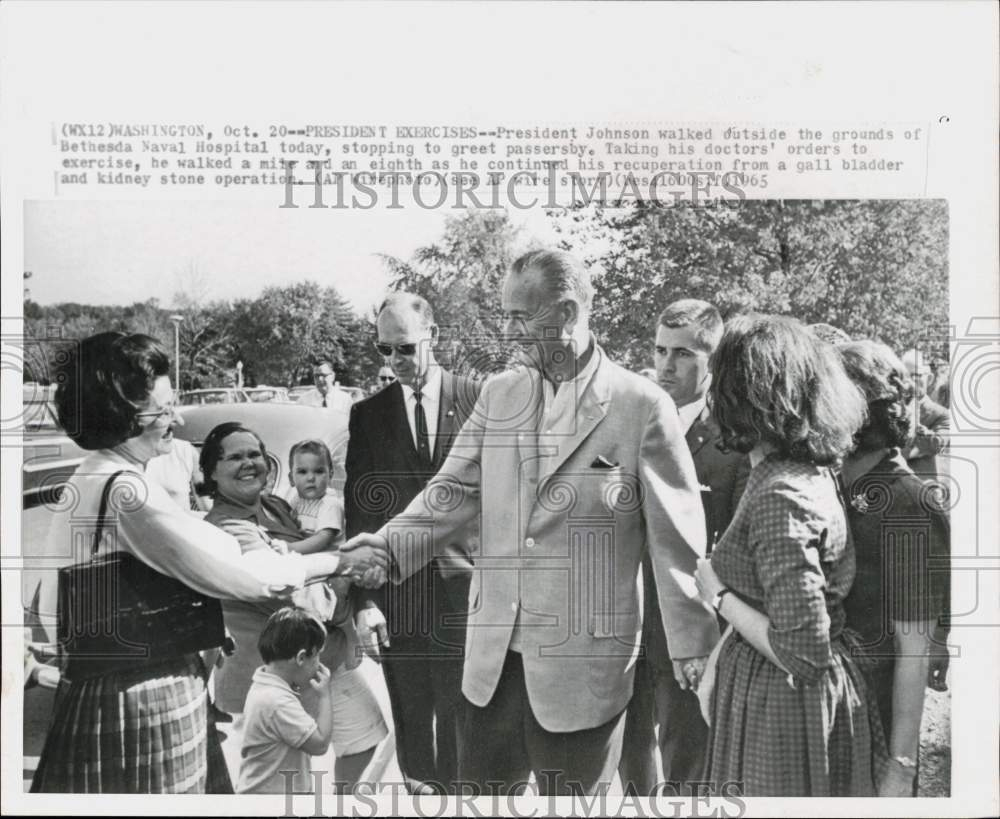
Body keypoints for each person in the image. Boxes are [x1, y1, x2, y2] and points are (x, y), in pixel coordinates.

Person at [345, 250, 718, 796]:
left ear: (566, 312)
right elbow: (450, 491)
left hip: (583, 672)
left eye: (521, 317)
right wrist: (384, 547)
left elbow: (675, 539)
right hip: (491, 667)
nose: (509, 332)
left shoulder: (641, 407)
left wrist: (691, 646)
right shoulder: (500, 393)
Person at [29, 332, 354, 794]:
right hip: (144, 699)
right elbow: (247, 576)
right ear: (124, 414)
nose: (176, 418)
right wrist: (333, 560)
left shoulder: (86, 479)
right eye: (163, 410)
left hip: (95, 693)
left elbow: (47, 608)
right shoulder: (128, 490)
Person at [694, 315, 886, 796]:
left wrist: (716, 595)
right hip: (774, 692)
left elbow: (803, 654)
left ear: (744, 393)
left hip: (782, 705)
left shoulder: (782, 494)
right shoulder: (801, 470)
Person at [344, 292, 482, 794]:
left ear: (435, 336)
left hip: (467, 592)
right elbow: (361, 514)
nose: (394, 362)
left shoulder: (478, 399)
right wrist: (366, 600)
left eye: (404, 349)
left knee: (464, 718)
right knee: (413, 718)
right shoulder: (368, 415)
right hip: (399, 599)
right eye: (384, 351)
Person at [200, 422, 388, 790]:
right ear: (211, 472)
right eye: (234, 457)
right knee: (280, 786)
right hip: (273, 675)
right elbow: (286, 588)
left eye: (254, 454)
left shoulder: (276, 505)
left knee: (365, 739)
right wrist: (344, 570)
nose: (248, 463)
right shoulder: (226, 526)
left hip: (320, 660)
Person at [620, 299, 750, 795]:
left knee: (688, 769)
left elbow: (736, 554)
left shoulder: (734, 443)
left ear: (712, 361)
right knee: (630, 763)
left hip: (692, 632)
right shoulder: (633, 423)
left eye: (682, 354)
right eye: (659, 351)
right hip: (627, 620)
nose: (665, 365)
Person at [838, 341, 950, 797]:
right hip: (838, 715)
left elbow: (913, 650)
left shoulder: (907, 502)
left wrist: (900, 768)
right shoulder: (838, 485)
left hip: (877, 724)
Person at [237, 608, 334, 794]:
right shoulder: (277, 702)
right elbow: (320, 744)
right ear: (301, 658)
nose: (320, 664)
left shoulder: (264, 684)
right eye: (317, 656)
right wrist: (324, 695)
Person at [900, 348, 950, 486]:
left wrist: (913, 416)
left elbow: (935, 445)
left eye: (916, 376)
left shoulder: (941, 415)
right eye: (905, 376)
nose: (909, 382)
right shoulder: (890, 408)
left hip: (923, 490)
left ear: (929, 379)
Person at [284, 439, 345, 542]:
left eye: (318, 471)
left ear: (330, 476)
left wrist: (288, 548)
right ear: (291, 479)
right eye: (303, 472)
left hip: (327, 554)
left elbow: (322, 540)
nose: (311, 478)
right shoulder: (295, 501)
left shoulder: (331, 504)